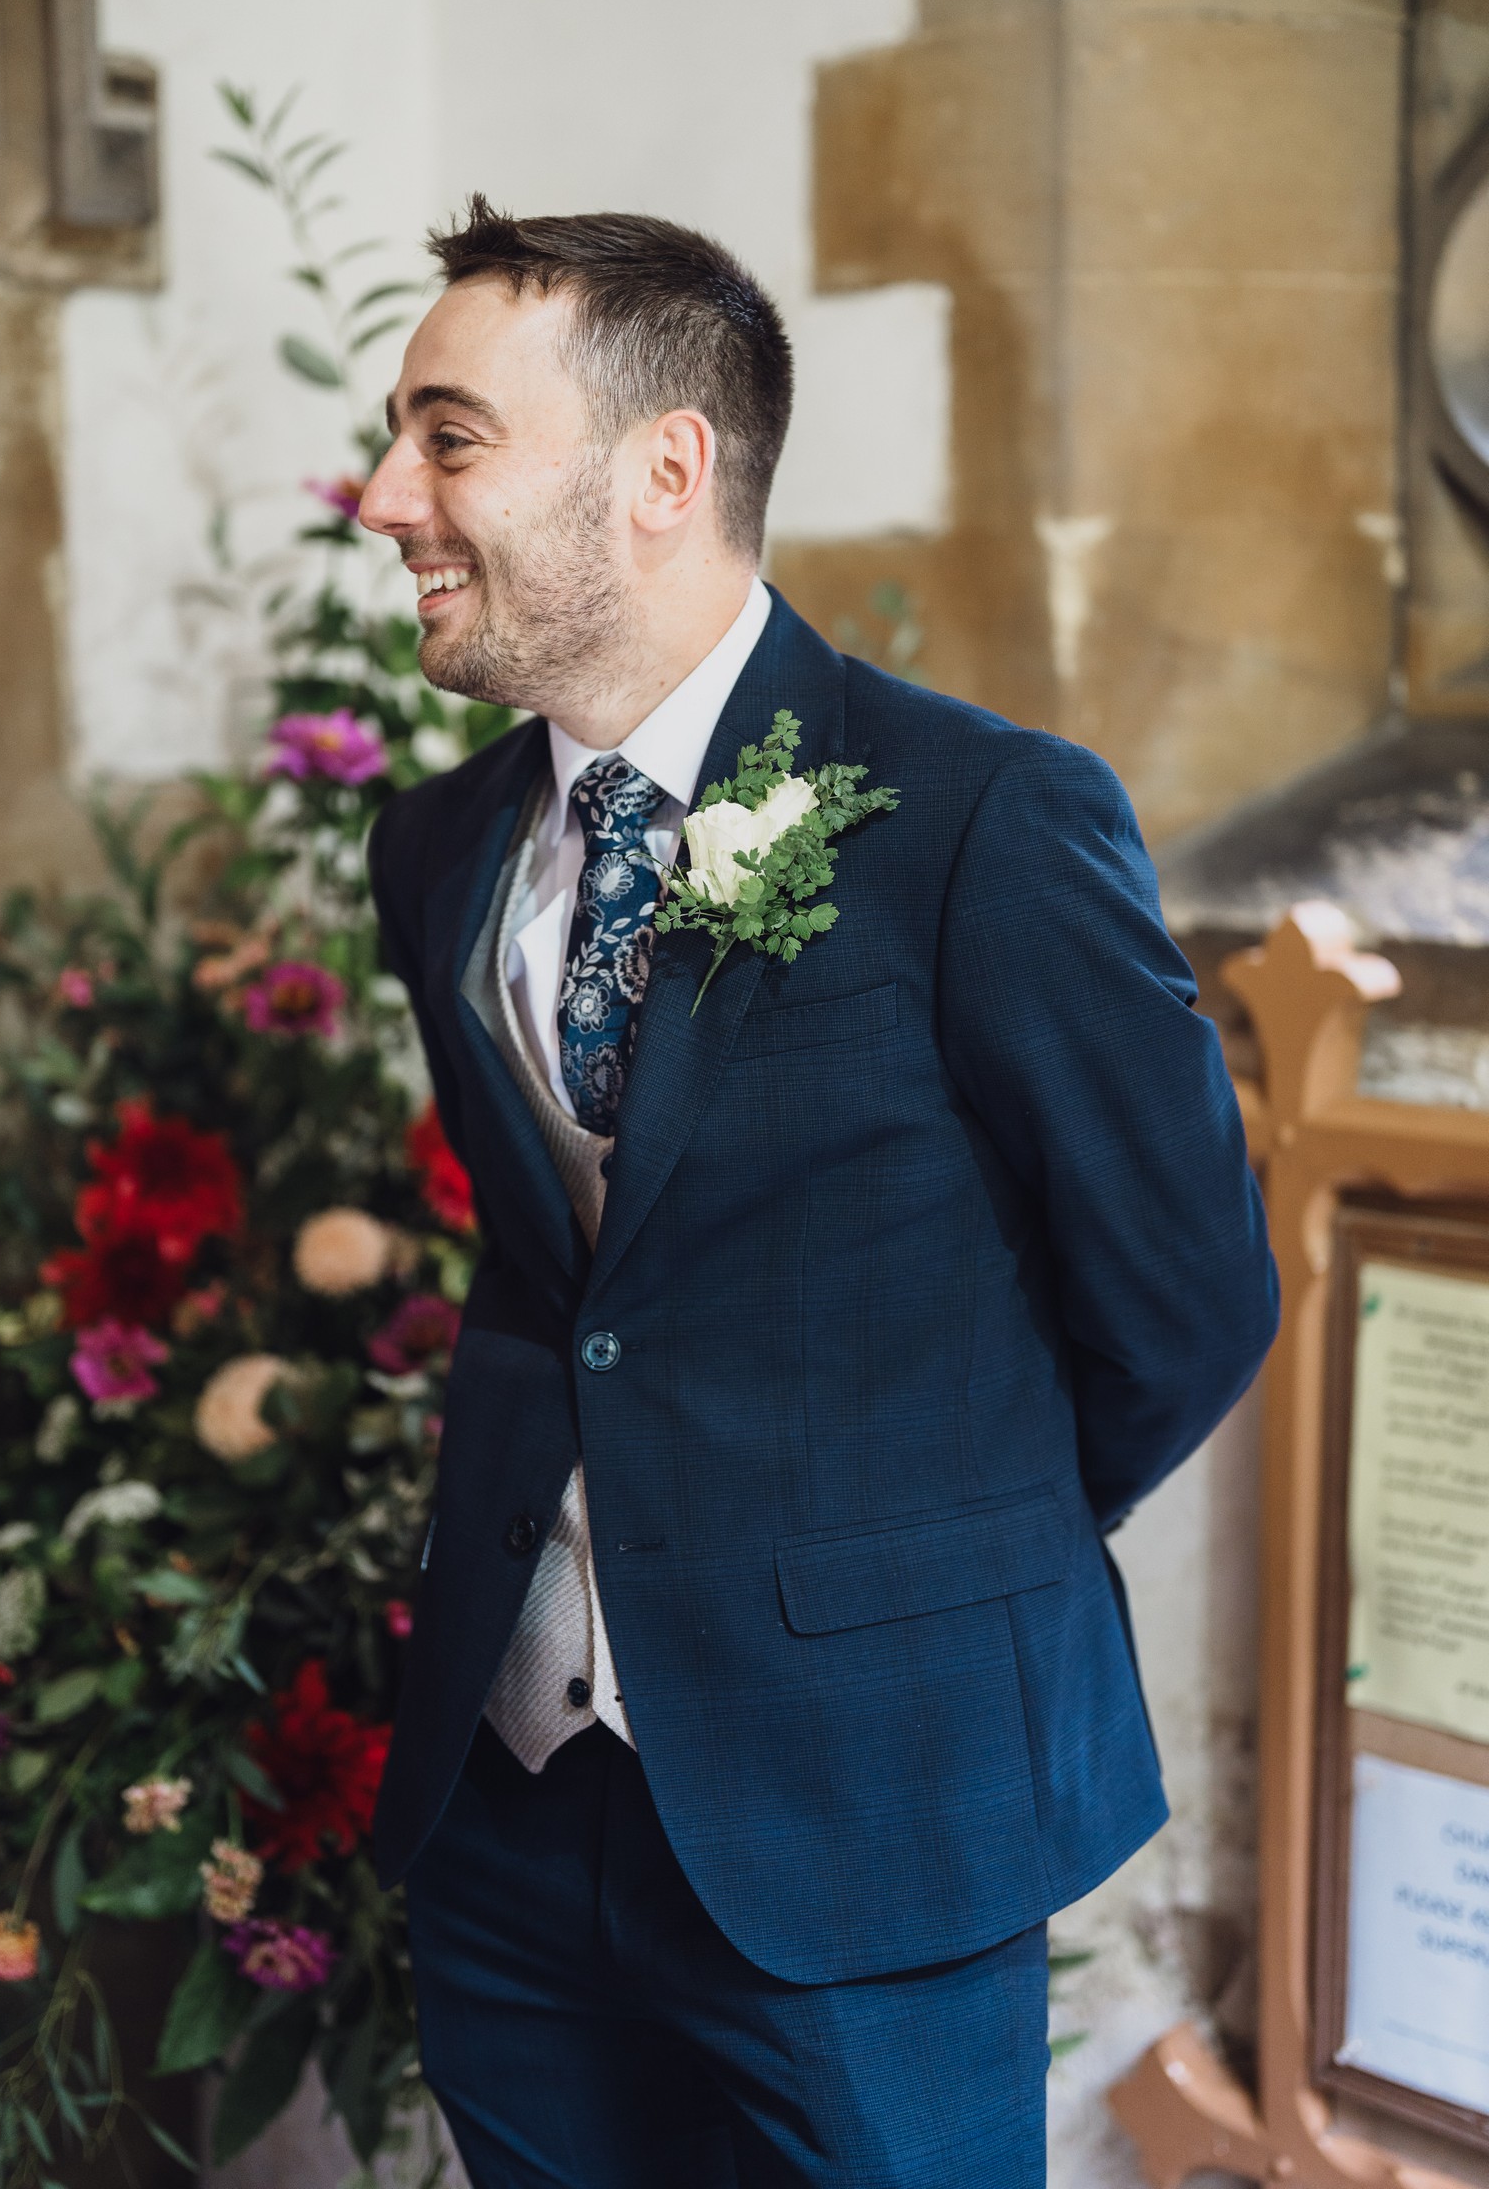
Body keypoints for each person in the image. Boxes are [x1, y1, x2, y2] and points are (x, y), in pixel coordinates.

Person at [357, 197, 1279, 2189]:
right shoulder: (430, 850)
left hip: (859, 1805)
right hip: (508, 1806)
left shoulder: (980, 820)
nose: (380, 496)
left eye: (446, 436)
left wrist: (903, 1554)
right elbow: (567, 1273)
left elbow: (1184, 1301)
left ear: (660, 472)